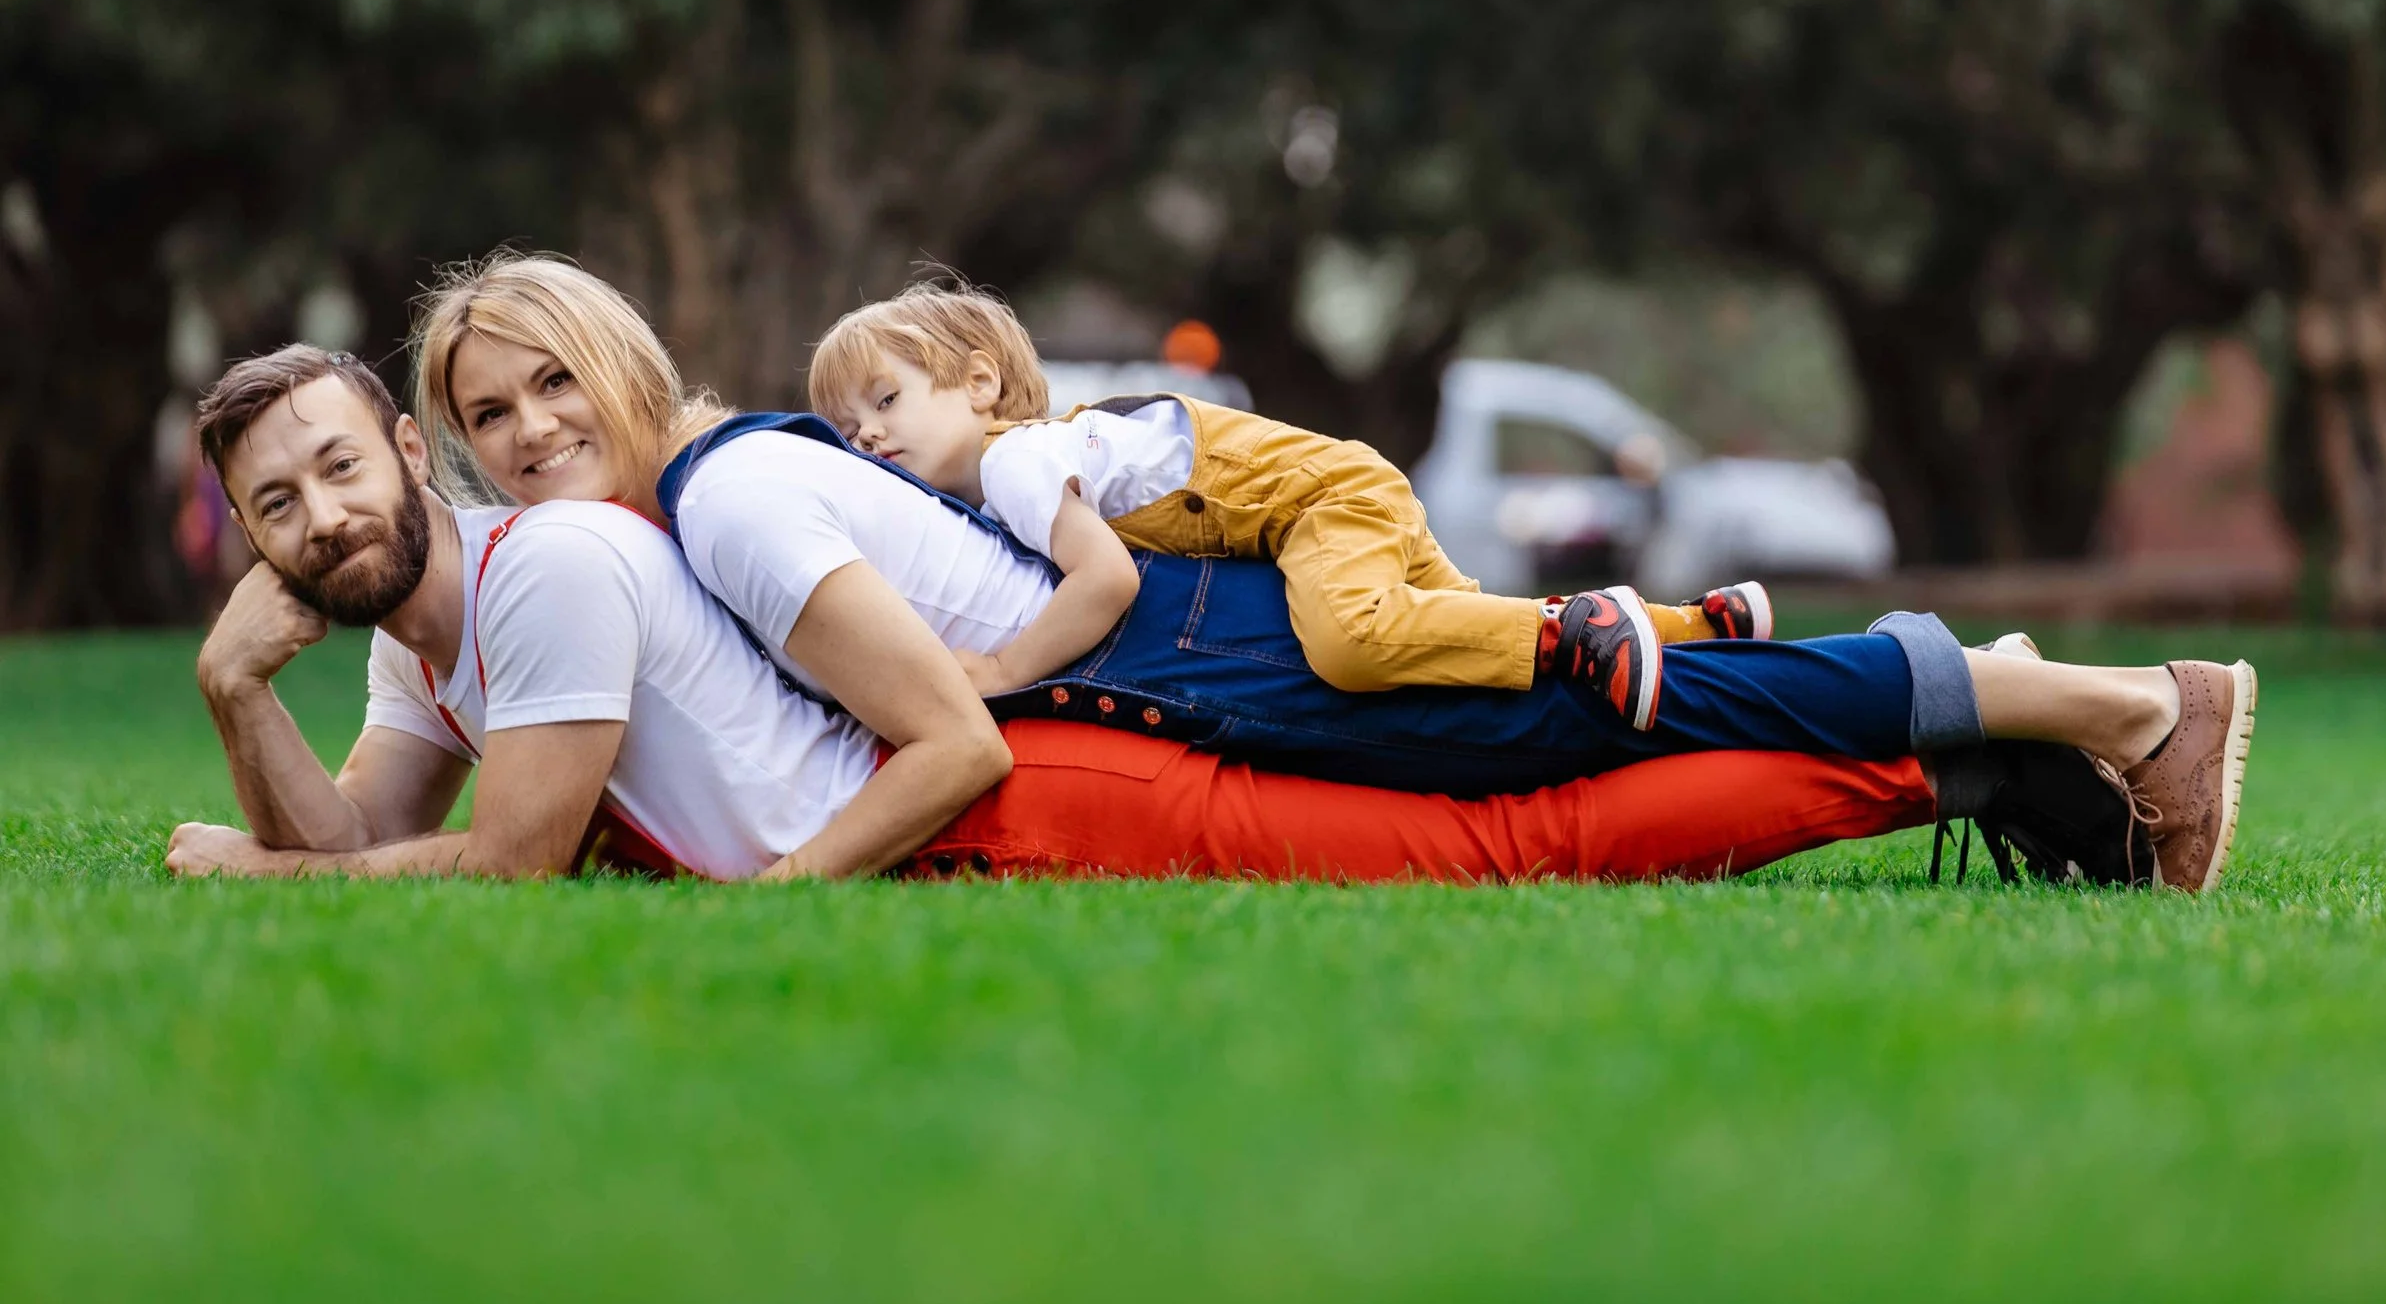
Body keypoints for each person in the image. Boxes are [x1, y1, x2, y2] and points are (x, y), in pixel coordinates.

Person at [405, 253, 2250, 891]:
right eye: (490, 408)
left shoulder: (724, 500)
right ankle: (2014, 689)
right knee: (1584, 735)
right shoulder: (716, 490)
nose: (530, 425)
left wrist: (817, 855)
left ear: (628, 359)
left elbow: (954, 713)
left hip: (1222, 654)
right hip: (1208, 645)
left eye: (553, 375)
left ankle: (2106, 700)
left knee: (1589, 733)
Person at [169, 341, 1947, 886]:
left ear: (404, 452)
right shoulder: (447, 626)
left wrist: (256, 876)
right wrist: (246, 701)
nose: (319, 516)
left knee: (1520, 822)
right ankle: (1953, 724)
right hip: (1024, 779)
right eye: (276, 502)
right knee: (1518, 804)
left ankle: (1944, 731)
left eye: (338, 466)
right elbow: (372, 859)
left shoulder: (551, 561)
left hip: (1040, 784)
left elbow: (503, 864)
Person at [809, 279, 1772, 731]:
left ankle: (1574, 623)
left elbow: (1101, 581)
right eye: (851, 432)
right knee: (1464, 645)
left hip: (1316, 503)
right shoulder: (1033, 463)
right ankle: (1700, 630)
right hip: (1337, 486)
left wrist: (1005, 666)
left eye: (886, 401)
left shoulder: (1020, 464)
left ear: (980, 385)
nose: (871, 439)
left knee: (1352, 644)